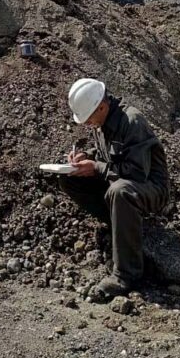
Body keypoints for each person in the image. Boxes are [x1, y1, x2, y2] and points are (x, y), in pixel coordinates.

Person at [58, 77, 169, 299]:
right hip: (121, 182)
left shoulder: (132, 122)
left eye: (89, 119)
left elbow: (136, 173)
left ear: (102, 106)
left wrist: (96, 167)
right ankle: (120, 224)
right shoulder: (102, 122)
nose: (88, 124)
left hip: (150, 189)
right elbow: (105, 156)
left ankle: (127, 275)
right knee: (69, 178)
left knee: (120, 191)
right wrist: (86, 157)